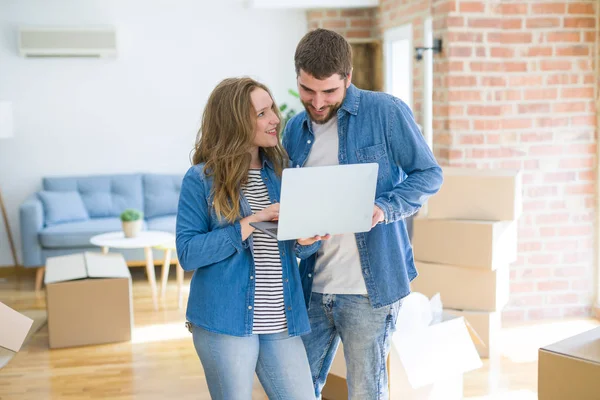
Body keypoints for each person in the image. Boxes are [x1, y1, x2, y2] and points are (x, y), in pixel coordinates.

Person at [282, 29, 444, 400]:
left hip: (369, 291)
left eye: (329, 92)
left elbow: (430, 174)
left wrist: (383, 208)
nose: (318, 102)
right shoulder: (295, 129)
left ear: (348, 78)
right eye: (308, 90)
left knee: (365, 393)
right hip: (312, 286)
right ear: (298, 79)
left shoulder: (385, 112)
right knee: (295, 389)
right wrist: (298, 235)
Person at [176, 77, 316, 400]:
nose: (276, 120)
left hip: (280, 318)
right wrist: (247, 224)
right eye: (263, 113)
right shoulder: (200, 179)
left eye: (273, 110)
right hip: (224, 322)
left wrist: (308, 240)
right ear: (236, 122)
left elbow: (294, 247)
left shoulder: (282, 172)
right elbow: (187, 253)